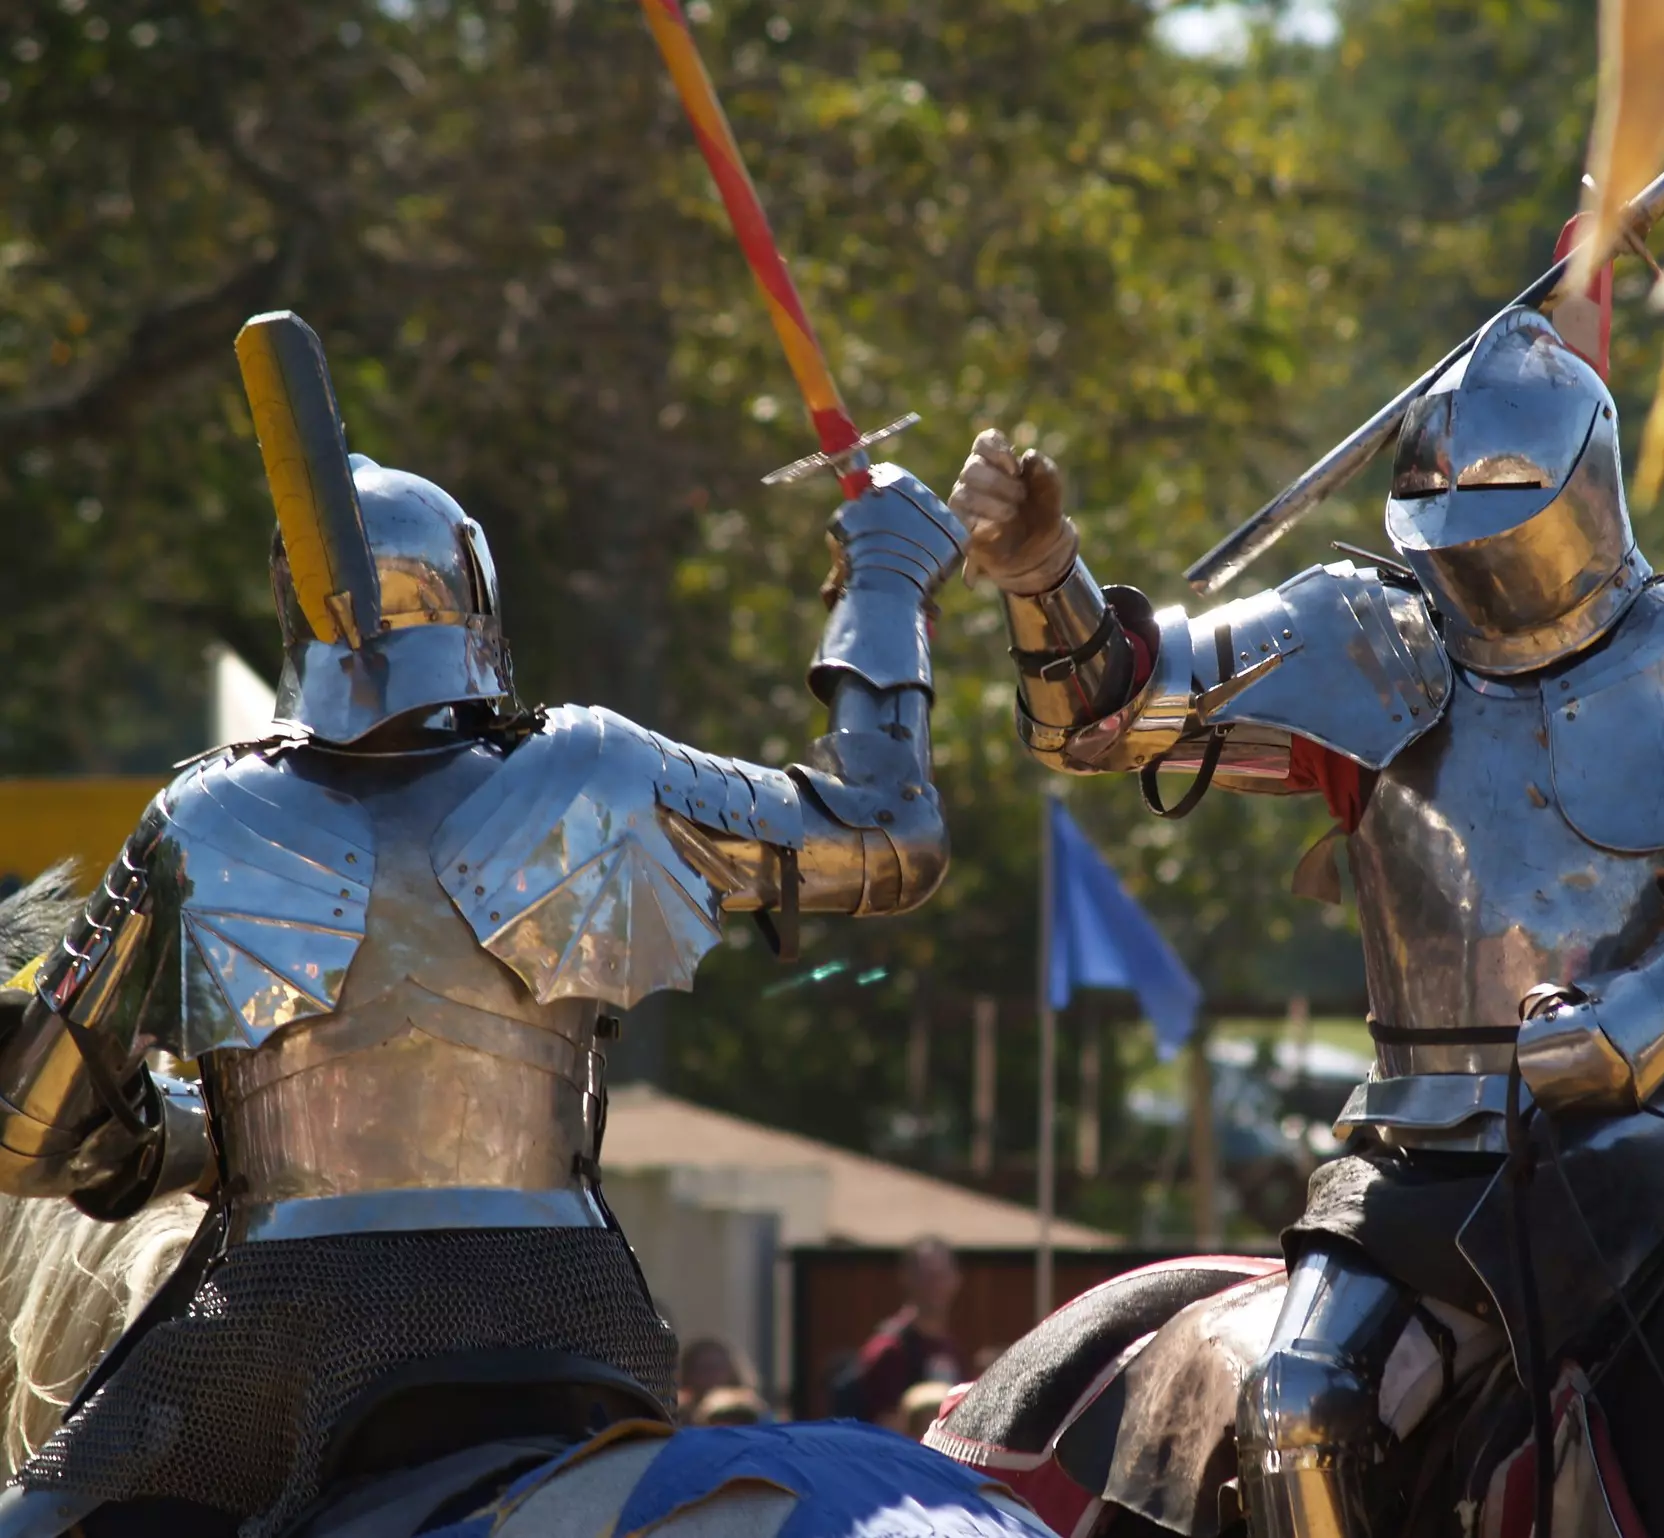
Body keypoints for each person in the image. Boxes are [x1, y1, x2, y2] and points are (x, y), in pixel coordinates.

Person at [946, 300, 1664, 1538]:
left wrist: (1641, 1022)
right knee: (1299, 1404)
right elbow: (1103, 713)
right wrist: (1043, 577)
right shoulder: (1367, 638)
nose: (1475, 549)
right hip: (1417, 1157)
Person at [0, 311, 965, 1538]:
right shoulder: (598, 772)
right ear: (476, 596)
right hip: (562, 1312)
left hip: (284, 1321)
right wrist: (884, 577)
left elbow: (29, 1140)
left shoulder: (205, 817)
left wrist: (185, 1140)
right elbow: (889, 832)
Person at [836, 1237, 963, 1422]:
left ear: (956, 1279)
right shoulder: (889, 1350)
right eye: (926, 1277)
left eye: (941, 1276)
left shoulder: (951, 1348)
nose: (935, 1286)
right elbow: (886, 1431)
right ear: (906, 1278)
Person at [675, 1335, 748, 1420]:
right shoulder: (677, 1410)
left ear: (731, 1370)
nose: (711, 1375)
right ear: (687, 1373)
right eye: (702, 1368)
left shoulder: (746, 1409)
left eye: (717, 1367)